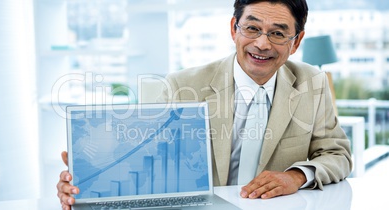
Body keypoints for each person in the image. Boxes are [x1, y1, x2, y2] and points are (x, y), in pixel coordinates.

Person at [57, 0, 352, 209]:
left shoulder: (312, 82)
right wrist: (90, 182)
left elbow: (337, 154)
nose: (262, 44)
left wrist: (296, 176)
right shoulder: (182, 87)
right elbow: (146, 161)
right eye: (252, 29)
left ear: (296, 41)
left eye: (277, 33)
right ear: (234, 29)